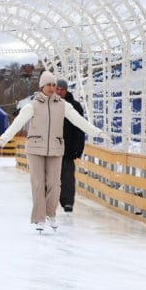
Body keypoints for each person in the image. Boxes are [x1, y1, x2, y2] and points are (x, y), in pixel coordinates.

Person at [0, 71, 106, 232]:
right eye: (49, 85)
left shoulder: (63, 105)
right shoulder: (32, 105)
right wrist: (4, 139)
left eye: (54, 85)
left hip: (55, 148)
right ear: (42, 86)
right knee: (38, 184)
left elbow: (79, 121)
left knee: (54, 184)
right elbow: (17, 123)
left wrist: (97, 132)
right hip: (35, 149)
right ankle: (39, 218)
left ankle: (50, 213)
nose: (52, 87)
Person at [56, 79, 86, 213]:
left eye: (62, 89)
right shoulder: (49, 105)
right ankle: (49, 201)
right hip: (51, 148)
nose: (59, 91)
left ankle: (67, 201)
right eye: (57, 89)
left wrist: (78, 149)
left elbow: (80, 128)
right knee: (50, 177)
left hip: (68, 149)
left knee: (67, 177)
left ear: (66, 90)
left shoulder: (75, 106)